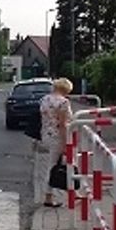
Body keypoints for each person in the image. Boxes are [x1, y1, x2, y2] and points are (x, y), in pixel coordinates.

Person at [34, 77, 73, 208]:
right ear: (65, 90)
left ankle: (68, 190)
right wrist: (65, 143)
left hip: (45, 135)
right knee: (54, 166)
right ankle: (49, 197)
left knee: (54, 164)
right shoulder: (63, 103)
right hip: (58, 137)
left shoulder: (44, 99)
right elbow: (62, 124)